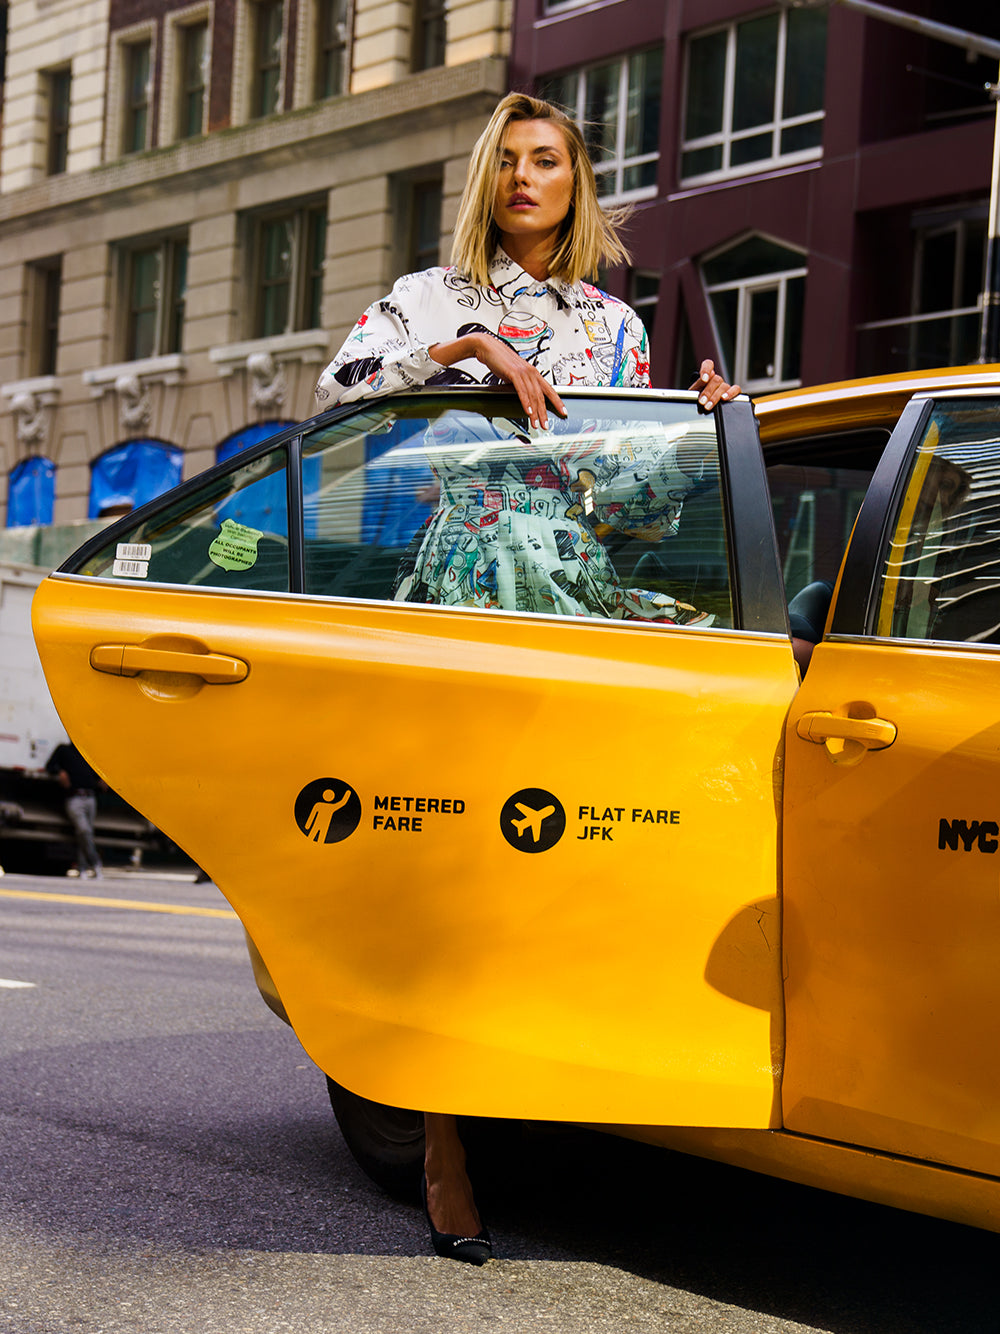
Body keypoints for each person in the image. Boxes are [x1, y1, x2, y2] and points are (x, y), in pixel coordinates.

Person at [316, 91, 738, 1264]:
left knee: (592, 859)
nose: (524, 178)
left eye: (545, 160)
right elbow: (342, 387)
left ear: (576, 180)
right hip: (471, 574)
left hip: (577, 589)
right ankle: (443, 1133)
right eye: (505, 162)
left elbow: (636, 513)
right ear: (482, 180)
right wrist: (468, 348)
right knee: (459, 862)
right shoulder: (431, 297)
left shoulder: (614, 327)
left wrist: (696, 432)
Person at [46, 741, 105, 879]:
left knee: (86, 834)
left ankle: (83, 868)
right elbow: (50, 766)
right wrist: (60, 772)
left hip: (90, 797)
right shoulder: (64, 750)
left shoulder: (90, 753)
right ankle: (95, 862)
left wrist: (103, 779)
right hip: (74, 798)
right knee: (83, 830)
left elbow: (95, 772)